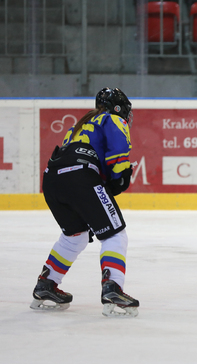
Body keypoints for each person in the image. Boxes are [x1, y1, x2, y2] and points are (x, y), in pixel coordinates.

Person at [30, 87, 140, 317]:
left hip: (52, 179)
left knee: (75, 235)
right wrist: (121, 177)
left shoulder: (78, 126)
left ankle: (46, 284)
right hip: (80, 175)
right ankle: (113, 288)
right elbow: (118, 157)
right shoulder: (113, 119)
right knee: (114, 233)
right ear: (119, 108)